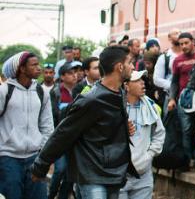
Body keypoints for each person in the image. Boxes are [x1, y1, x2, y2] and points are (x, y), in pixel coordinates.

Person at [31, 45, 136, 199]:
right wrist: (40, 166)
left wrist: (124, 128)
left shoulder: (120, 94)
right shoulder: (91, 100)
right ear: (120, 67)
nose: (133, 67)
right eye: (130, 62)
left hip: (114, 173)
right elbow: (63, 134)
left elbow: (103, 129)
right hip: (91, 175)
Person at [0, 52, 53, 199]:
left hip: (35, 157)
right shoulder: (4, 90)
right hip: (8, 158)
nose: (39, 68)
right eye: (34, 65)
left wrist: (43, 150)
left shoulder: (41, 91)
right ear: (22, 69)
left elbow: (47, 124)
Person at [119, 71, 165, 199]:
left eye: (142, 80)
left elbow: (159, 133)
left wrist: (149, 155)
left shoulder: (151, 106)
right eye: (137, 80)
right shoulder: (115, 107)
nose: (142, 83)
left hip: (143, 173)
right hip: (119, 174)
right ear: (126, 86)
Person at [168, 32, 195, 170]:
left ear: (193, 42)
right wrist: (172, 98)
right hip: (184, 101)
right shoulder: (177, 60)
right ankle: (187, 160)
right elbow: (174, 82)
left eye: (186, 43)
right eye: (181, 44)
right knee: (186, 130)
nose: (183, 46)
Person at [48, 63, 79, 199]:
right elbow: (51, 117)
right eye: (71, 73)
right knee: (60, 169)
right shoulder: (55, 92)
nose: (75, 75)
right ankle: (51, 194)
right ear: (62, 76)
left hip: (76, 140)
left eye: (76, 72)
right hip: (59, 139)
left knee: (70, 173)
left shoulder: (80, 91)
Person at [154, 29, 181, 102]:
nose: (179, 35)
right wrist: (173, 86)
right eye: (175, 33)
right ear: (169, 38)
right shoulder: (164, 57)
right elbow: (156, 79)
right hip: (170, 96)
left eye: (180, 33)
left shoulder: (187, 55)